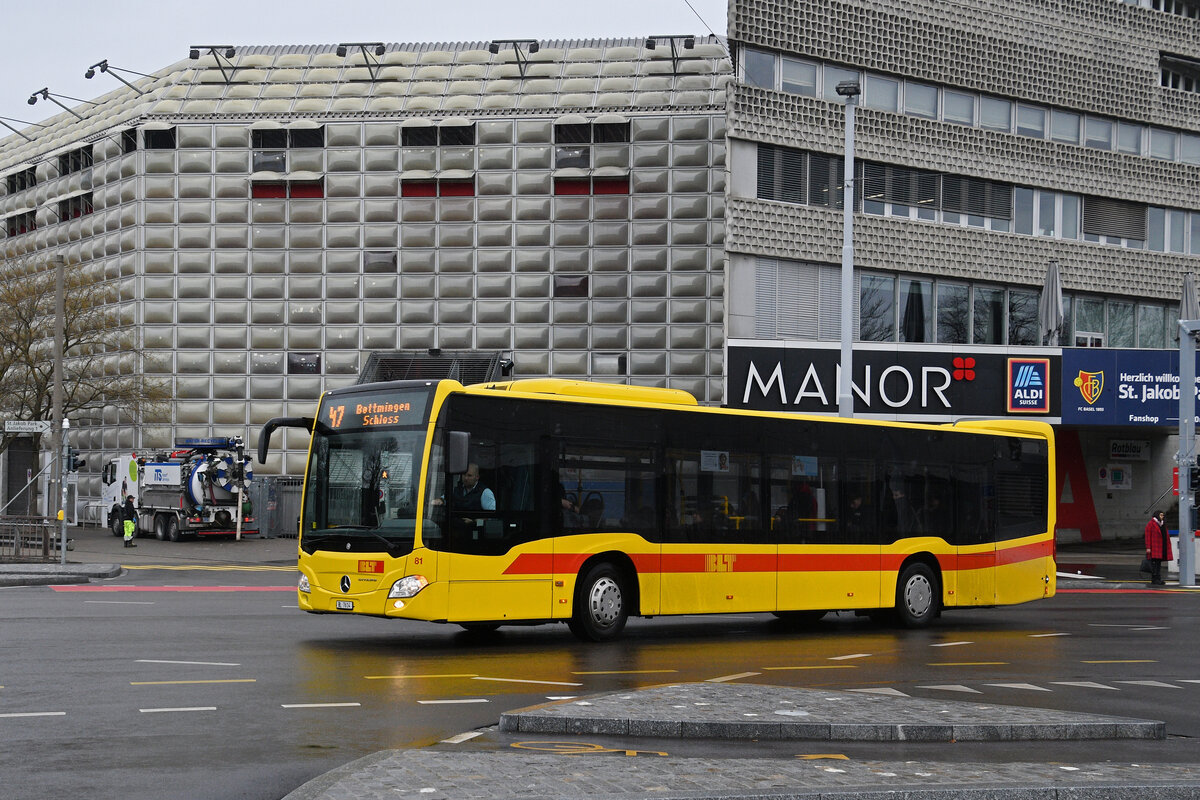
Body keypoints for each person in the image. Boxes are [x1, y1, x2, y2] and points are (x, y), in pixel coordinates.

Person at [1144, 510, 1172, 586]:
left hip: (1161, 547)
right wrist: (1148, 547)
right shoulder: (1151, 524)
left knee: (1158, 564)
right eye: (1161, 515)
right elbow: (1147, 536)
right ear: (1157, 516)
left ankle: (1158, 578)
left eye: (1163, 515)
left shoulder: (1162, 524)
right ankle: (1155, 579)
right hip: (1154, 548)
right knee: (1155, 564)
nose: (1162, 517)